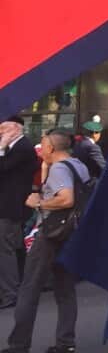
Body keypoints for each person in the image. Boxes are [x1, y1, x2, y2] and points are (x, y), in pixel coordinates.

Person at [4, 129, 89, 353]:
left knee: (29, 289)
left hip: (50, 234)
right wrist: (44, 170)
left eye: (42, 145)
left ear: (51, 148)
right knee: (65, 289)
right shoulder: (77, 164)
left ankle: (18, 344)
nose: (40, 150)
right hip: (70, 233)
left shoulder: (60, 168)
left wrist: (38, 203)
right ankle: (65, 342)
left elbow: (65, 198)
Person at [0, 118, 37, 309]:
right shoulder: (14, 148)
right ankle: (20, 285)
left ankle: (10, 293)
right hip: (10, 204)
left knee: (5, 249)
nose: (0, 132)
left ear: (15, 129)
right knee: (15, 246)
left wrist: (0, 148)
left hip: (10, 206)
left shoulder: (22, 148)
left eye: (3, 128)